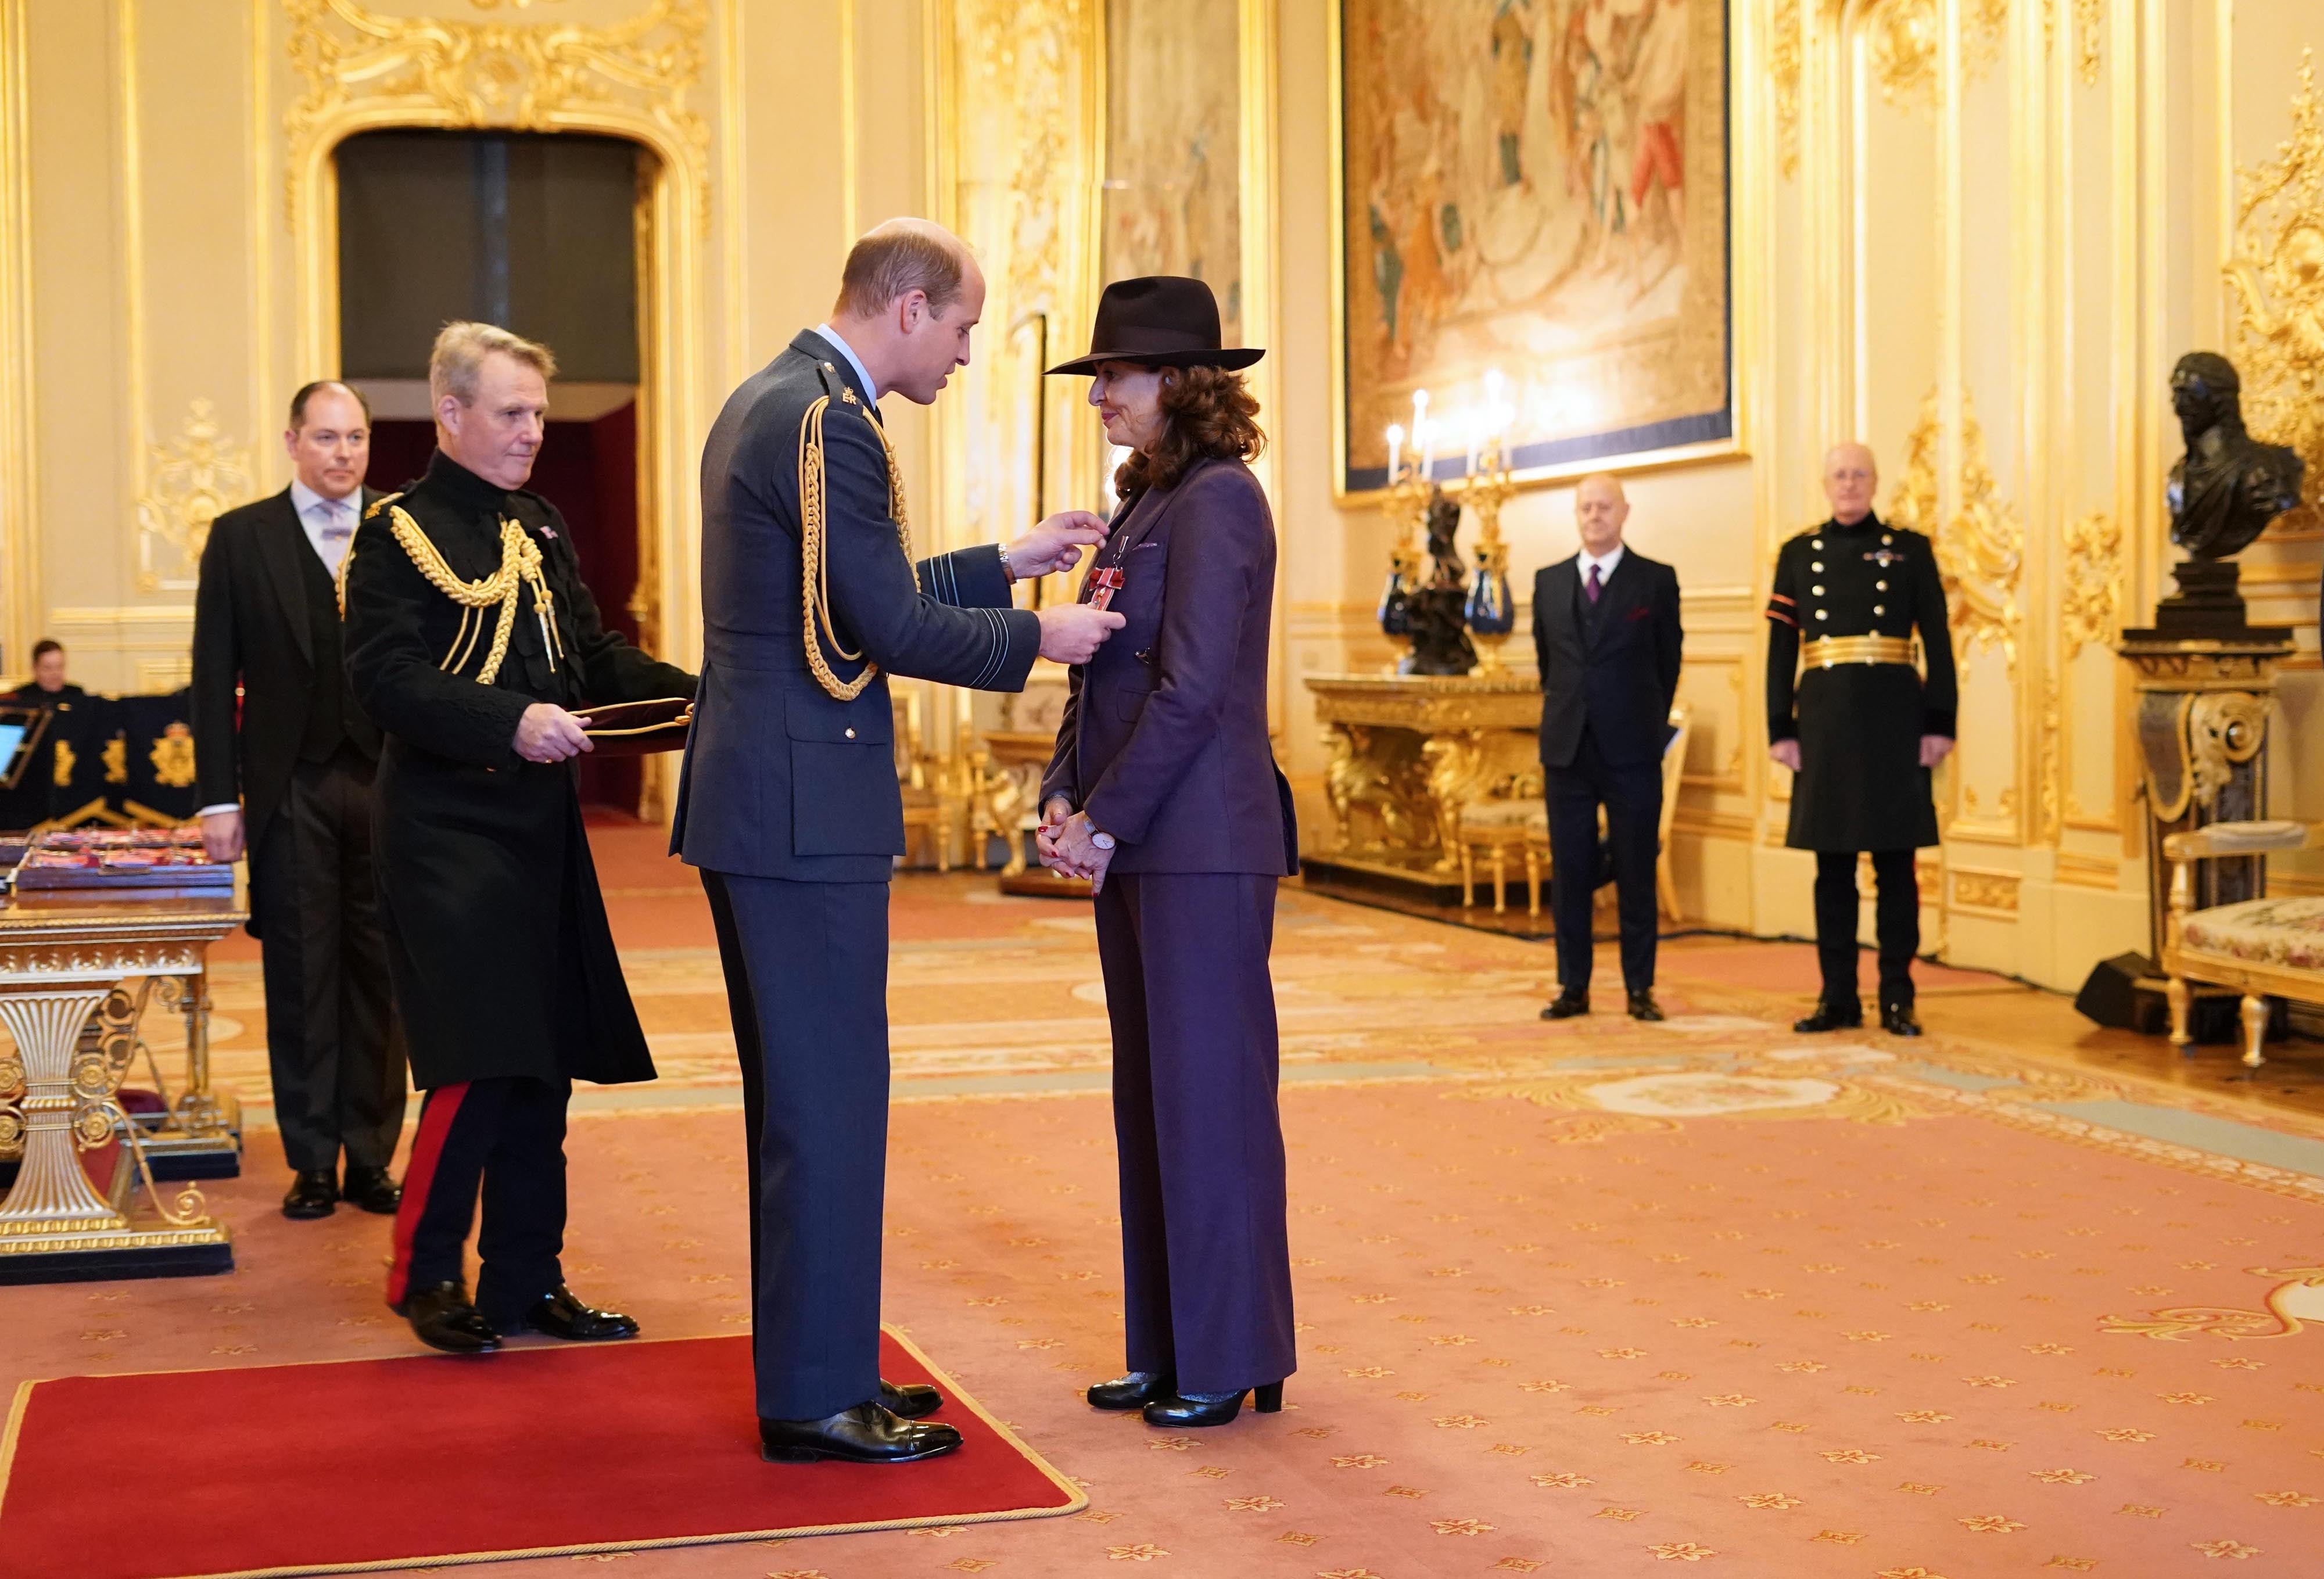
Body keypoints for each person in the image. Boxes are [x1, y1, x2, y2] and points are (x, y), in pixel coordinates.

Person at [672, 219, 1124, 1465]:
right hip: (800, 801)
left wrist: (1001, 563)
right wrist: (1040, 635)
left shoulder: (779, 399)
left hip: (767, 794)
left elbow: (839, 586)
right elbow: (878, 620)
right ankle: (817, 1399)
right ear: (909, 307)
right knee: (826, 1103)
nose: (969, 355)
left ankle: (821, 1366)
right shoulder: (829, 421)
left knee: (805, 1101)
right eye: (967, 326)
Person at [343, 322, 697, 1355]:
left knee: (544, 1065)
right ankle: (426, 1272)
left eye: (539, 412)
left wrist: (711, 699)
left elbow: (589, 655)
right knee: (479, 1058)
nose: (532, 431)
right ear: (451, 414)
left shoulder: (540, 525)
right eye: (511, 412)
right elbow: (385, 677)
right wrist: (508, 719)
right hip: (444, 833)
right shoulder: (394, 531)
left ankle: (527, 1279)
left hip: (538, 836)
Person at [1035, 275, 1301, 1430]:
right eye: (1098, 377)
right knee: (1148, 1103)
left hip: (1197, 843)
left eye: (1118, 376)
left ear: (1178, 384)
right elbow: (1095, 671)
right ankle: (1168, 1346)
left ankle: (1231, 1352)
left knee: (1210, 1106)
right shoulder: (1145, 505)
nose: (1099, 395)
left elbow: (1192, 692)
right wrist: (1059, 795)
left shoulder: (1222, 502)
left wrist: (1104, 818)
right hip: (1143, 841)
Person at [192, 380, 404, 1222]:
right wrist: (217, 798)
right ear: (292, 442)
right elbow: (214, 675)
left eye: (355, 437)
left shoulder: (403, 529)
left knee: (381, 972)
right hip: (289, 785)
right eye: (326, 437)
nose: (343, 453)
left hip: (391, 781)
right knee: (301, 972)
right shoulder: (241, 537)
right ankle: (313, 1158)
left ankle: (372, 1156)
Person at [1766, 443, 1956, 1036]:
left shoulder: (1910, 550)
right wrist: (1780, 727)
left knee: (1897, 867)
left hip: (1895, 719)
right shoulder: (1798, 554)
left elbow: (1940, 641)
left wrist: (1940, 723)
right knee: (1833, 870)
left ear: (1875, 482)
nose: (1848, 484)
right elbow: (1780, 650)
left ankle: (1898, 996)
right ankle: (1837, 997)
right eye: (1838, 475)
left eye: (1858, 475)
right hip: (1825, 721)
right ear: (1824, 483)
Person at [1533, 472, 1682, 1023]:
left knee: (1636, 869)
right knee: (1570, 873)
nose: (1594, 516)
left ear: (1624, 512)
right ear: (1577, 515)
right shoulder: (1548, 582)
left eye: (1604, 507)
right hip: (1567, 751)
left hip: (1633, 751)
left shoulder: (1655, 581)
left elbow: (1669, 664)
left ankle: (1639, 988)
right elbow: (1551, 664)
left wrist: (1638, 719)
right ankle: (1573, 987)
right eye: (1585, 507)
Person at [3, 640, 86, 712]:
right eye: (48, 668)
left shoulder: (76, 694)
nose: (55, 673)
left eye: (60, 667)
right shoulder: (21, 697)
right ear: (35, 668)